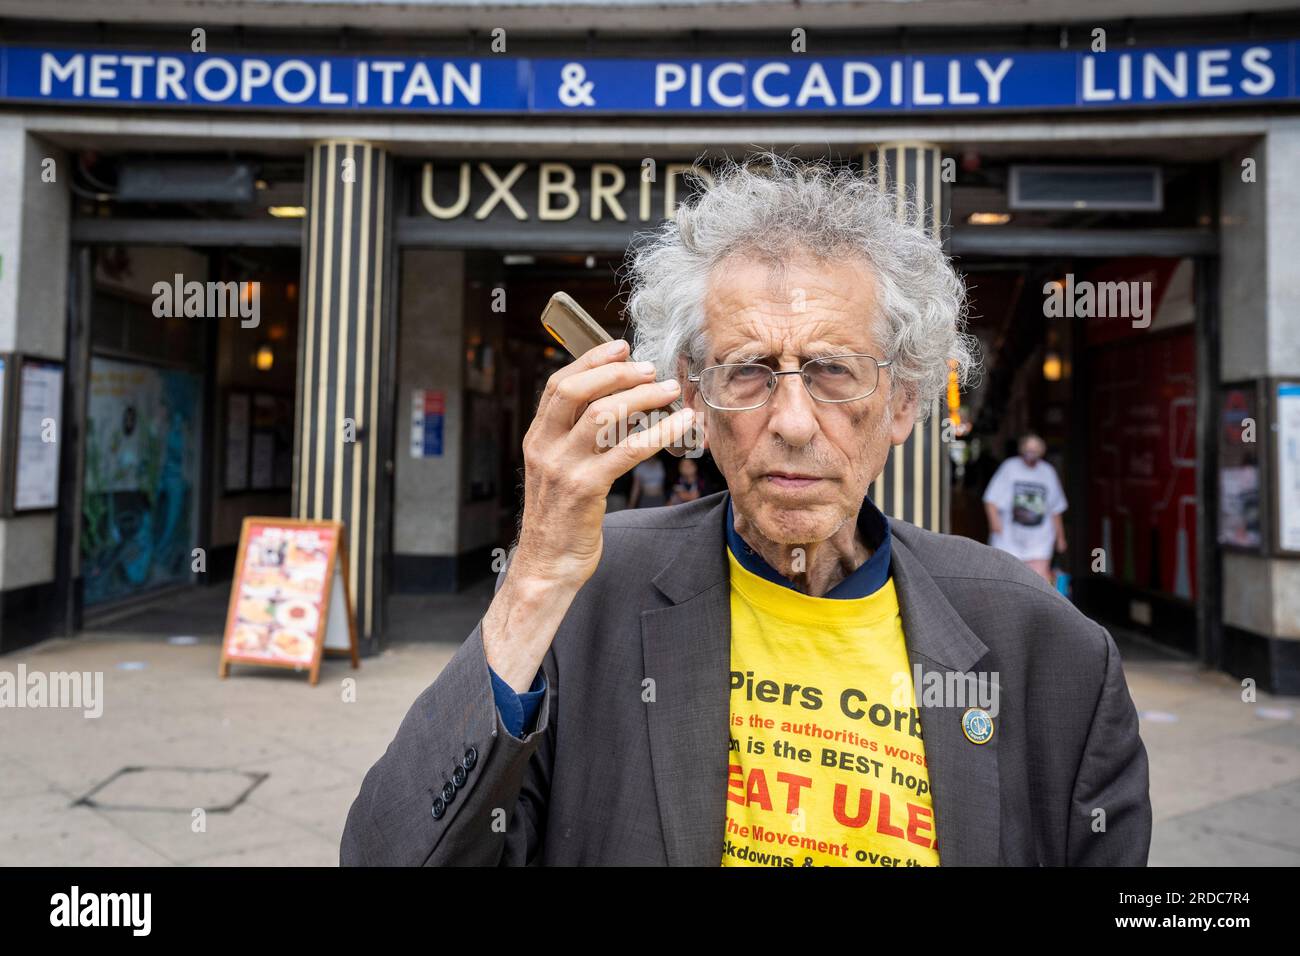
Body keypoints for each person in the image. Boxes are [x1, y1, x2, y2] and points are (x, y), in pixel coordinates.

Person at [341, 153, 1150, 867]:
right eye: (749, 371)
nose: (793, 423)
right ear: (693, 396)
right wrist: (533, 582)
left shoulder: (1050, 653)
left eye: (834, 371)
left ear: (904, 403)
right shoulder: (586, 602)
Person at [982, 433, 1068, 583]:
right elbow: (990, 499)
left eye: (1035, 449)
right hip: (1009, 539)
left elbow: (1055, 508)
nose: (1031, 453)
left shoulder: (1048, 472)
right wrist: (995, 525)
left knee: (1039, 582)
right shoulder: (1009, 467)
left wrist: (1060, 538)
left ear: (1042, 451)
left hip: (1040, 539)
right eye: (1028, 448)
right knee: (1006, 580)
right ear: (1021, 449)